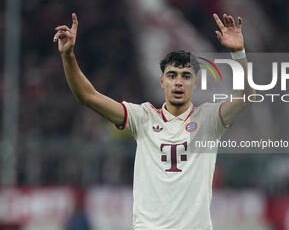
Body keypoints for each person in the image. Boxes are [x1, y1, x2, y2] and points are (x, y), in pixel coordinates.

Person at [53, 12, 255, 230]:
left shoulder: (209, 120)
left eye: (186, 76)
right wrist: (68, 57)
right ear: (162, 82)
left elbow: (247, 96)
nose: (178, 82)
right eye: (172, 75)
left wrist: (238, 54)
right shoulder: (142, 117)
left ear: (195, 83)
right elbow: (88, 96)